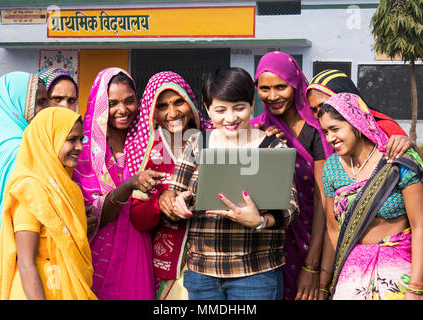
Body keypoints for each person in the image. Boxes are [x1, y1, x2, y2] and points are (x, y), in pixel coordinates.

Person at [161, 67, 299, 300]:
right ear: (207, 109)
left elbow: (291, 207)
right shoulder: (197, 143)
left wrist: (260, 221)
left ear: (252, 103)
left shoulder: (273, 148)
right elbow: (174, 192)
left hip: (256, 274)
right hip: (202, 274)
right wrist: (177, 205)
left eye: (239, 108)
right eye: (220, 110)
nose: (230, 118)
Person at [318, 92, 423, 300]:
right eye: (325, 132)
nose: (329, 138)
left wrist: (415, 287)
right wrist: (324, 285)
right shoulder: (332, 168)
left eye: (335, 129)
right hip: (350, 273)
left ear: (356, 122)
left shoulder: (396, 160)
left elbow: (420, 226)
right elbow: (333, 231)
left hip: (397, 271)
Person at [72, 67, 164, 300]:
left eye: (129, 101)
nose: (122, 110)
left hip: (138, 247)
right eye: (112, 103)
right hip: (95, 251)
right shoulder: (80, 151)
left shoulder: (149, 143)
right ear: (100, 104)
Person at [250, 51, 334, 300]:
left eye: (280, 87)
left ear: (296, 84)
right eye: (264, 88)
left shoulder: (317, 130)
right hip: (266, 245)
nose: (272, 96)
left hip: (310, 238)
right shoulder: (255, 128)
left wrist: (312, 265)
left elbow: (323, 201)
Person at [0, 107, 97, 300]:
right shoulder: (30, 189)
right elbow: (26, 263)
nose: (79, 147)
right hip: (36, 292)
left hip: (64, 290)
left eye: (80, 139)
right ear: (47, 140)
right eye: (70, 140)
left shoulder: (69, 189)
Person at [130, 71, 212, 300]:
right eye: (162, 106)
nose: (172, 113)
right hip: (168, 268)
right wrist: (159, 203)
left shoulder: (214, 139)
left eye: (179, 102)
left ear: (191, 103)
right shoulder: (145, 151)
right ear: (152, 112)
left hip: (214, 261)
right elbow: (138, 219)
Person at [0, 71, 48, 300]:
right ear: (17, 105)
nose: (44, 109)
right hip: (10, 257)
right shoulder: (17, 151)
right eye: (39, 102)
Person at [307, 69, 423, 172]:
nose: (319, 114)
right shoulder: (323, 134)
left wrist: (416, 150)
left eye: (324, 105)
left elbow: (416, 173)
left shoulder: (383, 127)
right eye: (314, 109)